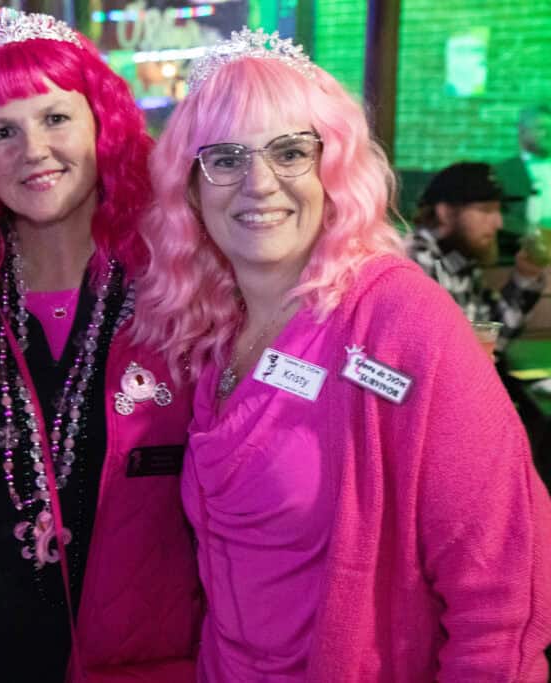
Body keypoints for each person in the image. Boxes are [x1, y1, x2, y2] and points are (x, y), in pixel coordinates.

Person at [134, 27, 551, 682]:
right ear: (190, 188)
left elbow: (500, 597)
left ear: (334, 166)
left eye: (290, 152)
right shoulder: (217, 330)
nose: (259, 183)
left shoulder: (399, 321)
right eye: (225, 158)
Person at [0, 10, 201, 683]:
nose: (33, 149)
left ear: (103, 126)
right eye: (3, 131)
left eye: (56, 118)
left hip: (137, 660)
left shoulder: (178, 286)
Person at [408, 161, 548, 350]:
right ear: (446, 213)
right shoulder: (418, 262)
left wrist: (526, 274)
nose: (498, 223)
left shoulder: (458, 259)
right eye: (486, 210)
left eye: (499, 211)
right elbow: (453, 355)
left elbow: (494, 338)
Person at [496, 103, 551, 236]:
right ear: (522, 131)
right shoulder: (503, 172)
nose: (549, 133)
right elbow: (496, 217)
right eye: (542, 127)